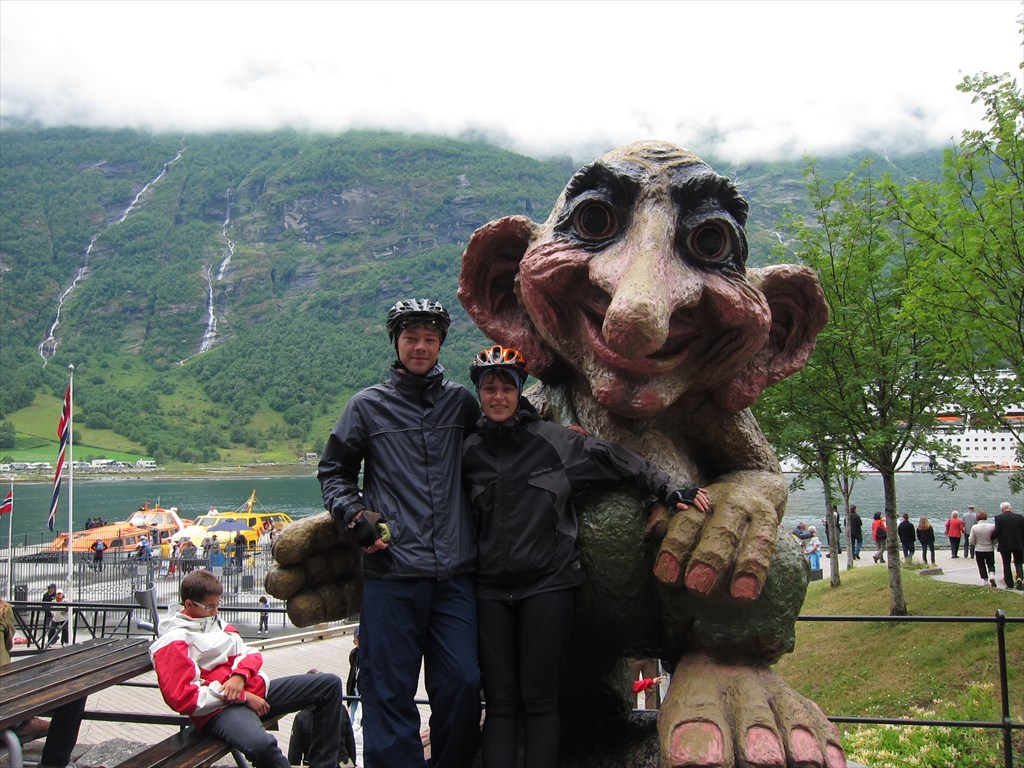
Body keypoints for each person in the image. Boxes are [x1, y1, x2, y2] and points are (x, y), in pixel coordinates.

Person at [461, 345, 709, 768]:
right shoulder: (469, 450)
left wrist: (668, 489)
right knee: (500, 701)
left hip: (546, 584)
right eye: (489, 389)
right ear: (479, 394)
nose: (498, 397)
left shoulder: (553, 441)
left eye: (507, 388)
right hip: (489, 589)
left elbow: (619, 460)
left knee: (539, 696)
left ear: (519, 392)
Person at [318, 299, 483, 768]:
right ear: (396, 342)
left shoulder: (461, 403)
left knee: (464, 684)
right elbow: (334, 472)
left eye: (430, 339)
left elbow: (499, 447)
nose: (421, 347)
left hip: (455, 574)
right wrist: (355, 516)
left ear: (441, 344)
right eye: (412, 338)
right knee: (388, 690)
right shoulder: (366, 406)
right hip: (392, 572)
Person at [150, 570, 344, 768]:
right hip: (218, 710)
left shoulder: (216, 623)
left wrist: (240, 676)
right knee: (263, 746)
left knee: (329, 685)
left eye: (218, 605)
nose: (216, 611)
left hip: (252, 689)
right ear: (189, 604)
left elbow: (250, 653)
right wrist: (241, 696)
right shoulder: (173, 641)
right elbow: (185, 698)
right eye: (210, 606)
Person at [289, 669, 358, 768]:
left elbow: (295, 752)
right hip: (342, 763)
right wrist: (353, 762)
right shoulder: (341, 709)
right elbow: (350, 741)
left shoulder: (301, 718)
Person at [992, 501, 1024, 591]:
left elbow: (997, 531)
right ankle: (1019, 577)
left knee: (1006, 563)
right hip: (1018, 543)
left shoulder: (999, 518)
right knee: (1018, 562)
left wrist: (992, 537)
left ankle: (1009, 584)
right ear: (1010, 508)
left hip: (1005, 544)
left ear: (1002, 509)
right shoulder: (1019, 517)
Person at [969, 511, 997, 587]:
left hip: (979, 549)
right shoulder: (992, 526)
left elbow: (971, 540)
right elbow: (995, 538)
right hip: (989, 548)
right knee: (991, 564)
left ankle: (985, 580)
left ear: (977, 518)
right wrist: (993, 544)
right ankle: (992, 575)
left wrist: (975, 544)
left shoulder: (974, 527)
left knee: (981, 565)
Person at [346, 626, 361, 723]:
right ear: (354, 641)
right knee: (353, 717)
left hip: (365, 691)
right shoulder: (353, 654)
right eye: (358, 638)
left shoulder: (370, 654)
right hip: (354, 689)